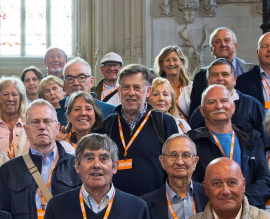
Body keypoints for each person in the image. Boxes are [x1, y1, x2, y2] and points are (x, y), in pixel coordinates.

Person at [189, 85, 270, 210]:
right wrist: (221, 203)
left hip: (249, 214)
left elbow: (265, 180)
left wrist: (242, 202)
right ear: (202, 111)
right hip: (209, 215)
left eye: (224, 101)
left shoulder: (252, 139)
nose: (219, 106)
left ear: (233, 107)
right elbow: (190, 183)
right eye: (212, 102)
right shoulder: (191, 142)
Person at [103, 64, 179, 197]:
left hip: (154, 206)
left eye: (137, 87)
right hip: (116, 205)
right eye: (126, 87)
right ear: (119, 91)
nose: (131, 93)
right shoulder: (108, 124)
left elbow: (175, 165)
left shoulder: (164, 122)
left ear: (148, 91)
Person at [188, 58, 265, 138]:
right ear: (208, 81)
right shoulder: (200, 112)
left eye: (225, 74)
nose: (220, 78)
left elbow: (264, 142)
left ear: (234, 79)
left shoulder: (253, 105)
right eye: (214, 75)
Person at [189, 28, 256, 117]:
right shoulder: (200, 77)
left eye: (227, 40)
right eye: (217, 42)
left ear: (235, 46)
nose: (223, 45)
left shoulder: (251, 71)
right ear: (212, 49)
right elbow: (196, 111)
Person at [55, 58, 115, 128]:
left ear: (91, 81)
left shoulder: (111, 112)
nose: (76, 83)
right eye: (70, 79)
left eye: (81, 77)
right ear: (64, 84)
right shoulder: (53, 115)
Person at [0, 77, 29, 158]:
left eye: (14, 94)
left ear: (20, 98)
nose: (10, 98)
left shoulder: (30, 124)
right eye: (5, 94)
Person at [155, 46, 192, 122]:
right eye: (167, 60)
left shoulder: (192, 87)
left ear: (182, 62)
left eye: (175, 60)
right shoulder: (155, 87)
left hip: (187, 131)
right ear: (161, 65)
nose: (171, 63)